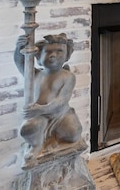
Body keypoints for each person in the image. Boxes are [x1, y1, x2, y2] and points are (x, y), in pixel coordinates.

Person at [14, 33, 82, 163]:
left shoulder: (68, 77)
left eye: (59, 51)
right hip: (39, 116)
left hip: (60, 115)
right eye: (48, 51)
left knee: (74, 133)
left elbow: (61, 101)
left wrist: (41, 109)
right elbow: (20, 63)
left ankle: (53, 136)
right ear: (38, 56)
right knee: (27, 130)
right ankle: (36, 145)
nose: (53, 55)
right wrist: (18, 48)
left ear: (67, 55)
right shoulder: (35, 75)